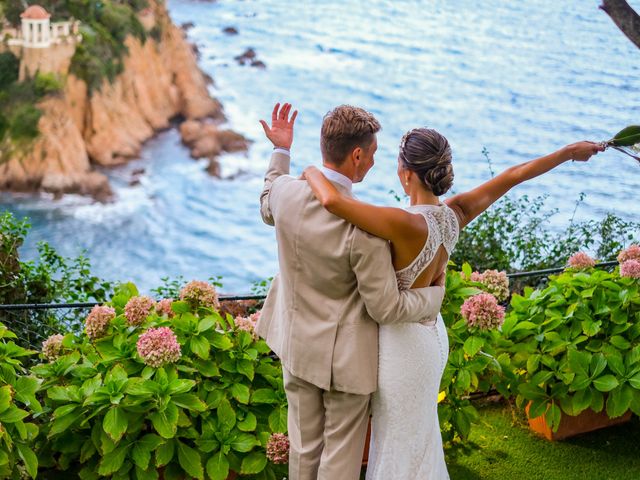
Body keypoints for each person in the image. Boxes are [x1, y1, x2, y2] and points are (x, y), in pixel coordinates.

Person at [302, 127, 604, 479]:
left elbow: (334, 201)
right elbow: (512, 177)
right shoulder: (454, 214)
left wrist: (311, 171)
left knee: (397, 443)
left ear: (407, 173)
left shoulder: (403, 222)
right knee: (418, 437)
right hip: (432, 342)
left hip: (401, 348)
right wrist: (569, 151)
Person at [255, 103, 447, 480]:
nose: (374, 163)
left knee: (304, 451)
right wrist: (434, 297)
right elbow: (386, 308)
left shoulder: (284, 192)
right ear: (357, 155)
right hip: (344, 364)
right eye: (373, 154)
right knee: (338, 463)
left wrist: (281, 150)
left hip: (294, 345)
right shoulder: (366, 232)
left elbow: (266, 201)